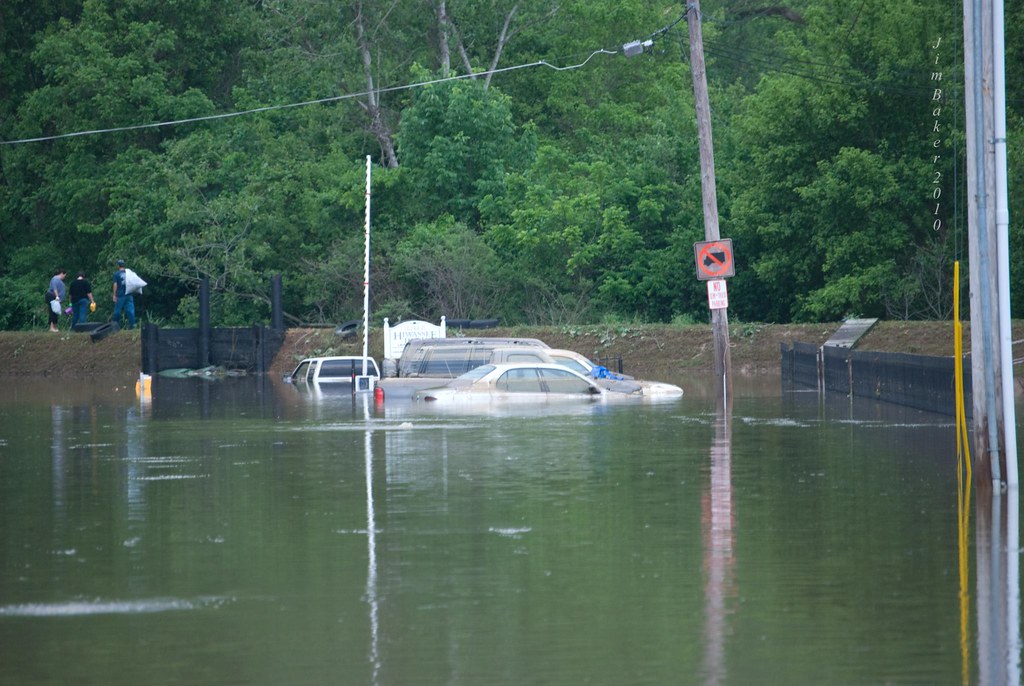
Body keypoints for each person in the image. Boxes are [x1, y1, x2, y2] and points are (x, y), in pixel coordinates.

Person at [111, 260, 136, 329]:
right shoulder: (129, 273)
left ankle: (114, 326)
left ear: (118, 265)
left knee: (117, 311)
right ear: (124, 265)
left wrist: (114, 295)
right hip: (129, 295)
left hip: (120, 295)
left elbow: (115, 284)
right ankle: (133, 326)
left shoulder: (116, 274)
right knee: (130, 311)